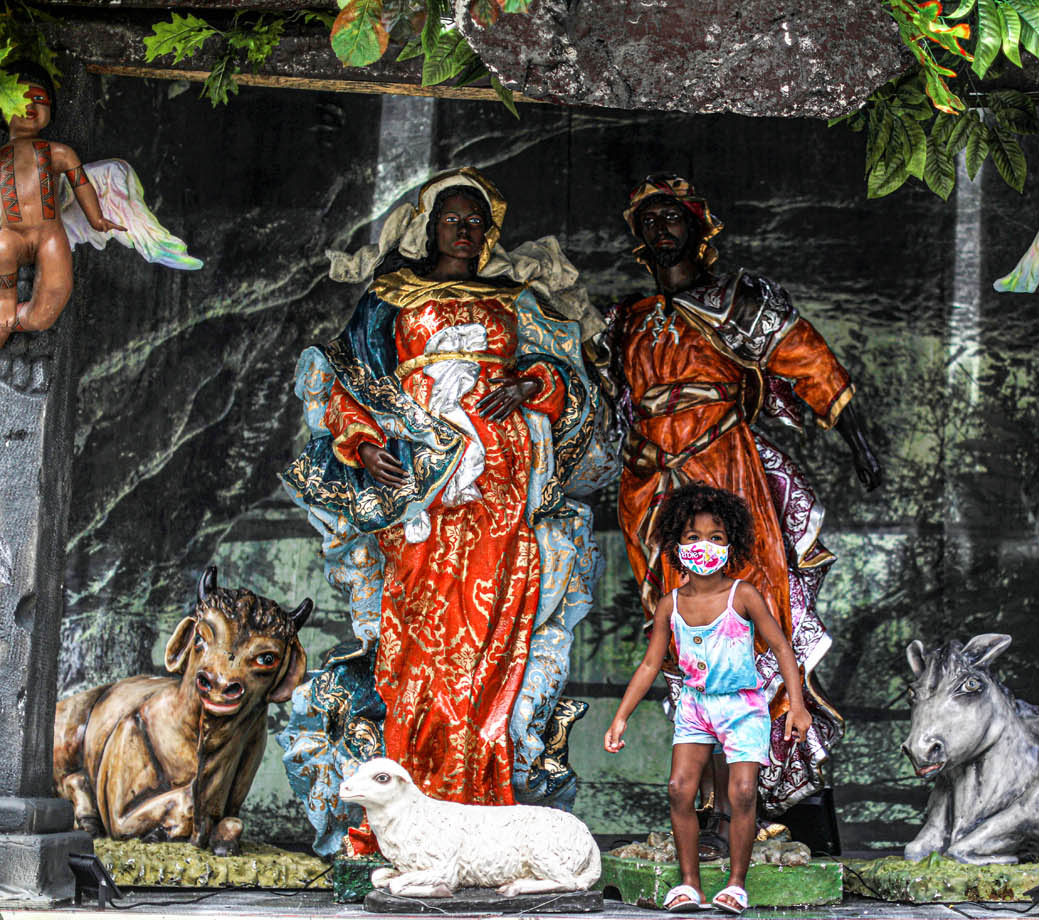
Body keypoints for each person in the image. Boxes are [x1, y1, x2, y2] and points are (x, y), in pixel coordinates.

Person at [279, 168, 613, 855]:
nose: (465, 229)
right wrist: (365, 445)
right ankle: (413, 803)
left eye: (475, 220)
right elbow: (347, 382)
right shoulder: (388, 299)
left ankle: (482, 803)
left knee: (493, 637)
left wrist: (527, 384)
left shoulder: (515, 300)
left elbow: (569, 376)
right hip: (421, 486)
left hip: (502, 485)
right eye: (452, 218)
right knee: (421, 641)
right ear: (428, 226)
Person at [590, 174, 882, 833]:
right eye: (648, 220)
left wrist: (859, 440)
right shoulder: (625, 319)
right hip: (651, 486)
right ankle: (712, 802)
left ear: (700, 228)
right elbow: (608, 406)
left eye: (672, 216)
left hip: (723, 467)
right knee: (682, 636)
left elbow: (808, 359)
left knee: (750, 613)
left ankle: (777, 785)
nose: (660, 228)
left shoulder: (738, 300)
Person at [605, 483, 810, 915]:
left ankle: (736, 885)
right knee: (679, 789)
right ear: (676, 544)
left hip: (742, 707)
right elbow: (650, 664)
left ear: (731, 543)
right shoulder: (670, 604)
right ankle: (689, 886)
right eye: (693, 536)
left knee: (744, 792)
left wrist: (797, 705)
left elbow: (782, 647)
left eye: (715, 537)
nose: (704, 546)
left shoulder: (744, 595)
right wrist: (621, 717)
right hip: (695, 706)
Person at [0, 68, 125, 348]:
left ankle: (14, 320)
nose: (30, 105)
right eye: (20, 97)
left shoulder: (59, 152)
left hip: (49, 234)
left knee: (53, 297)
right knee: (2, 247)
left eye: (39, 98)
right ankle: (4, 303)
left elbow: (81, 184)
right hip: (9, 234)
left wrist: (96, 219)